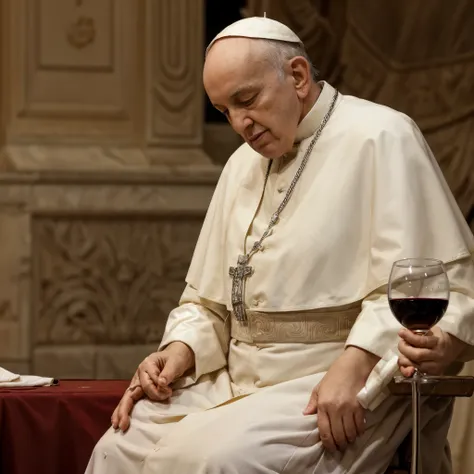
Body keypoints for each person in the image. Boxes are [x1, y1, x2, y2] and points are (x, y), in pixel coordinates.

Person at [85, 17, 474, 474]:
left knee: (219, 462)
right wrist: (179, 351)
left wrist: (351, 367)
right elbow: (208, 304)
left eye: (246, 100)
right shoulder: (240, 165)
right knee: (116, 449)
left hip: (333, 381)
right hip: (235, 382)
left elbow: (436, 291)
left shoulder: (382, 136)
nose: (239, 124)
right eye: (224, 110)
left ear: (297, 76)